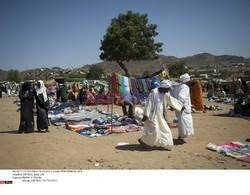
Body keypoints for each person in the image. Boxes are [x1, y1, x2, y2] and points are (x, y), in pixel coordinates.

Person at [138, 80, 183, 150]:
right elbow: (148, 104)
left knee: (166, 130)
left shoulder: (165, 93)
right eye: (167, 89)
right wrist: (145, 115)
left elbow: (171, 100)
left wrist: (180, 106)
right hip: (152, 116)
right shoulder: (153, 93)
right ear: (163, 87)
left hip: (160, 116)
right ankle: (144, 141)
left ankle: (163, 144)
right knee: (154, 131)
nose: (168, 91)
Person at [172, 73, 194, 144]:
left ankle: (180, 137)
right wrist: (181, 105)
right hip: (183, 109)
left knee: (182, 123)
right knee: (185, 124)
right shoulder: (185, 87)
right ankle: (180, 138)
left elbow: (172, 96)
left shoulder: (177, 87)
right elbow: (182, 97)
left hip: (177, 108)